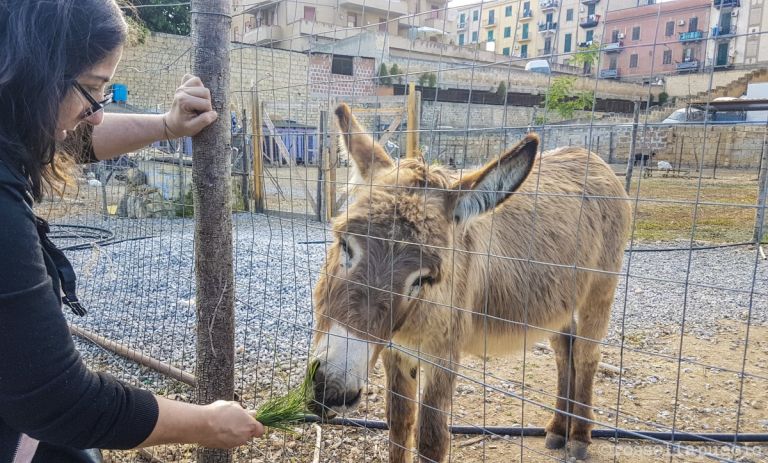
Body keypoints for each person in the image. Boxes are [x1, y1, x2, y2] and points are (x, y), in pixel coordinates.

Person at [0, 1, 264, 462]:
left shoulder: (15, 126)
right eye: (94, 91)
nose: (97, 113)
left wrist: (166, 126)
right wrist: (206, 423)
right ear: (38, 72)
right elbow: (59, 399)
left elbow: (64, 136)